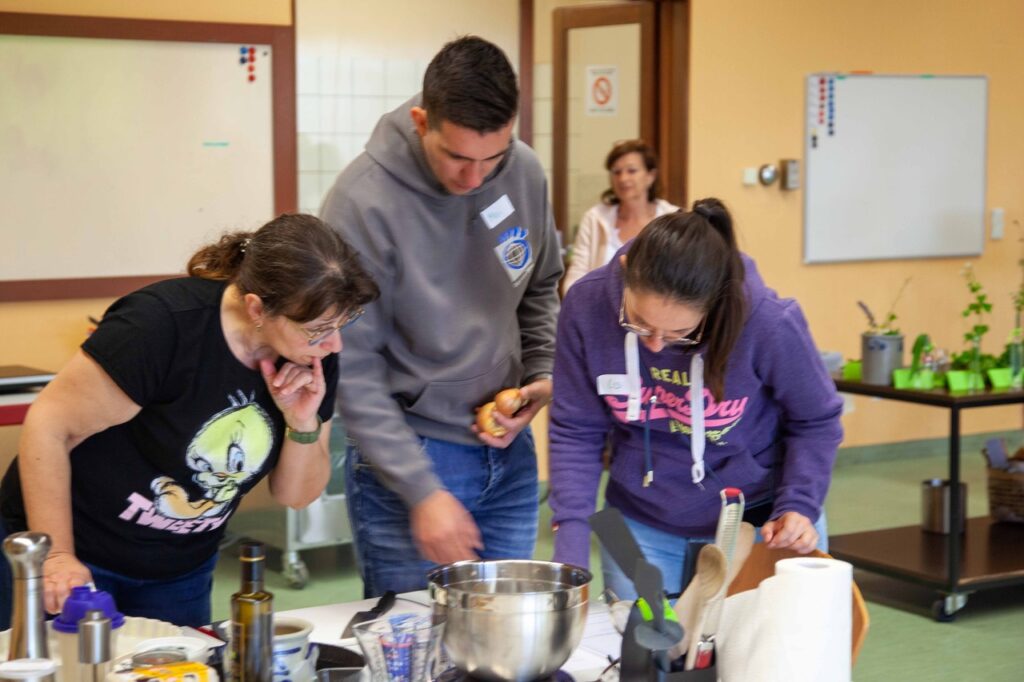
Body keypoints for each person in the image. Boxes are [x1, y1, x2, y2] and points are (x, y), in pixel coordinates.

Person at [0, 214, 379, 628]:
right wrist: (56, 556)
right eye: (319, 329)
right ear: (256, 308)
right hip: (77, 545)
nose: (334, 343)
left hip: (178, 568)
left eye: (344, 323)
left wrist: (302, 423)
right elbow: (49, 426)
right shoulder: (162, 325)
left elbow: (296, 495)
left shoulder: (311, 354)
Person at [319, 36, 562, 596]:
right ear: (421, 121)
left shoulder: (524, 171)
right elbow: (352, 366)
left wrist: (541, 373)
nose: (474, 179)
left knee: (507, 632)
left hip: (509, 451)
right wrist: (421, 491)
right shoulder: (361, 203)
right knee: (416, 636)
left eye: (491, 159)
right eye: (457, 157)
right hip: (412, 456)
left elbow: (541, 285)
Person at [548, 199, 842, 599]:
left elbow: (816, 419)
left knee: (763, 640)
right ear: (626, 270)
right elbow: (575, 429)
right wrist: (571, 540)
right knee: (643, 638)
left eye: (678, 334)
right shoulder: (587, 306)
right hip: (640, 528)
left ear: (716, 303)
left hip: (756, 525)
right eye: (638, 323)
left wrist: (799, 504)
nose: (654, 346)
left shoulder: (768, 321)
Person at [562, 140, 679, 294]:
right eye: (616, 172)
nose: (623, 178)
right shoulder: (595, 218)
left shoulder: (672, 219)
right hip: (598, 306)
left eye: (631, 171)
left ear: (651, 176)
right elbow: (575, 278)